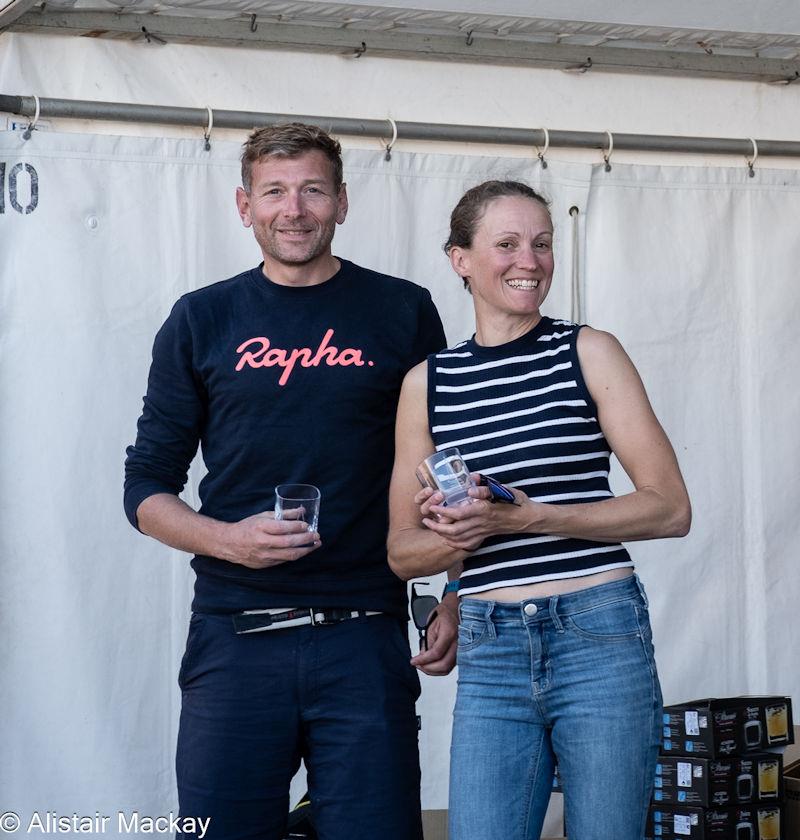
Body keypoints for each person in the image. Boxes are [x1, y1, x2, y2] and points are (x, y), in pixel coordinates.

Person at [124, 122, 456, 840]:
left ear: (342, 202)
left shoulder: (402, 311)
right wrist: (228, 541)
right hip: (235, 636)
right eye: (274, 191)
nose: (294, 208)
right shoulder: (202, 318)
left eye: (312, 190)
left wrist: (447, 592)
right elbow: (145, 488)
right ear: (245, 206)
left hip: (364, 639)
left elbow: (443, 468)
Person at [388, 180, 691, 840]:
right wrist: (461, 541)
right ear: (459, 258)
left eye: (543, 244)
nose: (530, 260)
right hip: (489, 644)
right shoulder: (427, 384)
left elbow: (669, 508)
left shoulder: (589, 352)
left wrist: (532, 517)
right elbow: (402, 550)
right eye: (506, 244)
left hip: (598, 633)